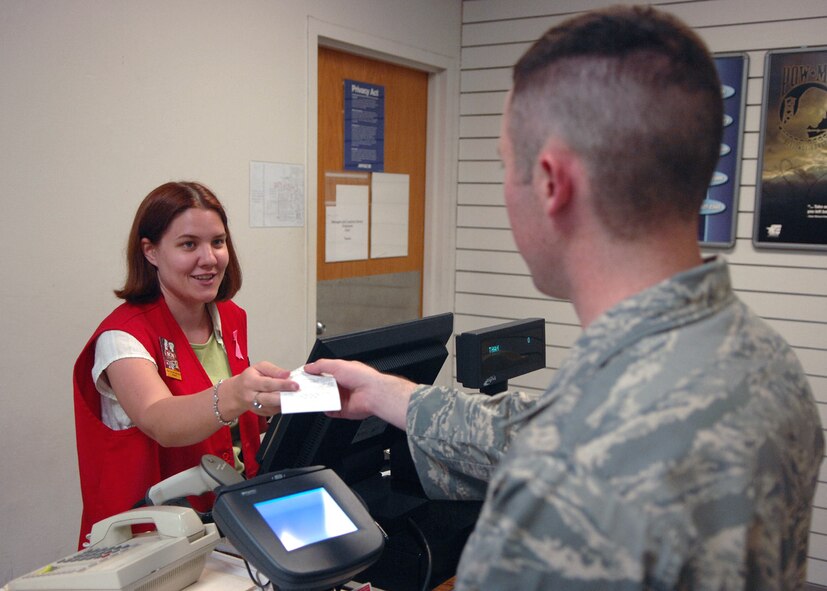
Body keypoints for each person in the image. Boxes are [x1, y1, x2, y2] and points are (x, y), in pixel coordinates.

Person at [305, 5, 824, 589]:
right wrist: (388, 393)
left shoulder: (563, 483)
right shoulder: (761, 358)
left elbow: (572, 446)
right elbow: (535, 427)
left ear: (552, 183)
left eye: (506, 166)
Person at [73, 181, 297, 547]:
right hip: (151, 541)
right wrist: (239, 393)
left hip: (228, 519)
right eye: (189, 244)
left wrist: (276, 397)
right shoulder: (122, 338)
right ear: (151, 252)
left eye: (218, 242)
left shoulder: (228, 317)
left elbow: (235, 426)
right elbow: (161, 421)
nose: (209, 258)